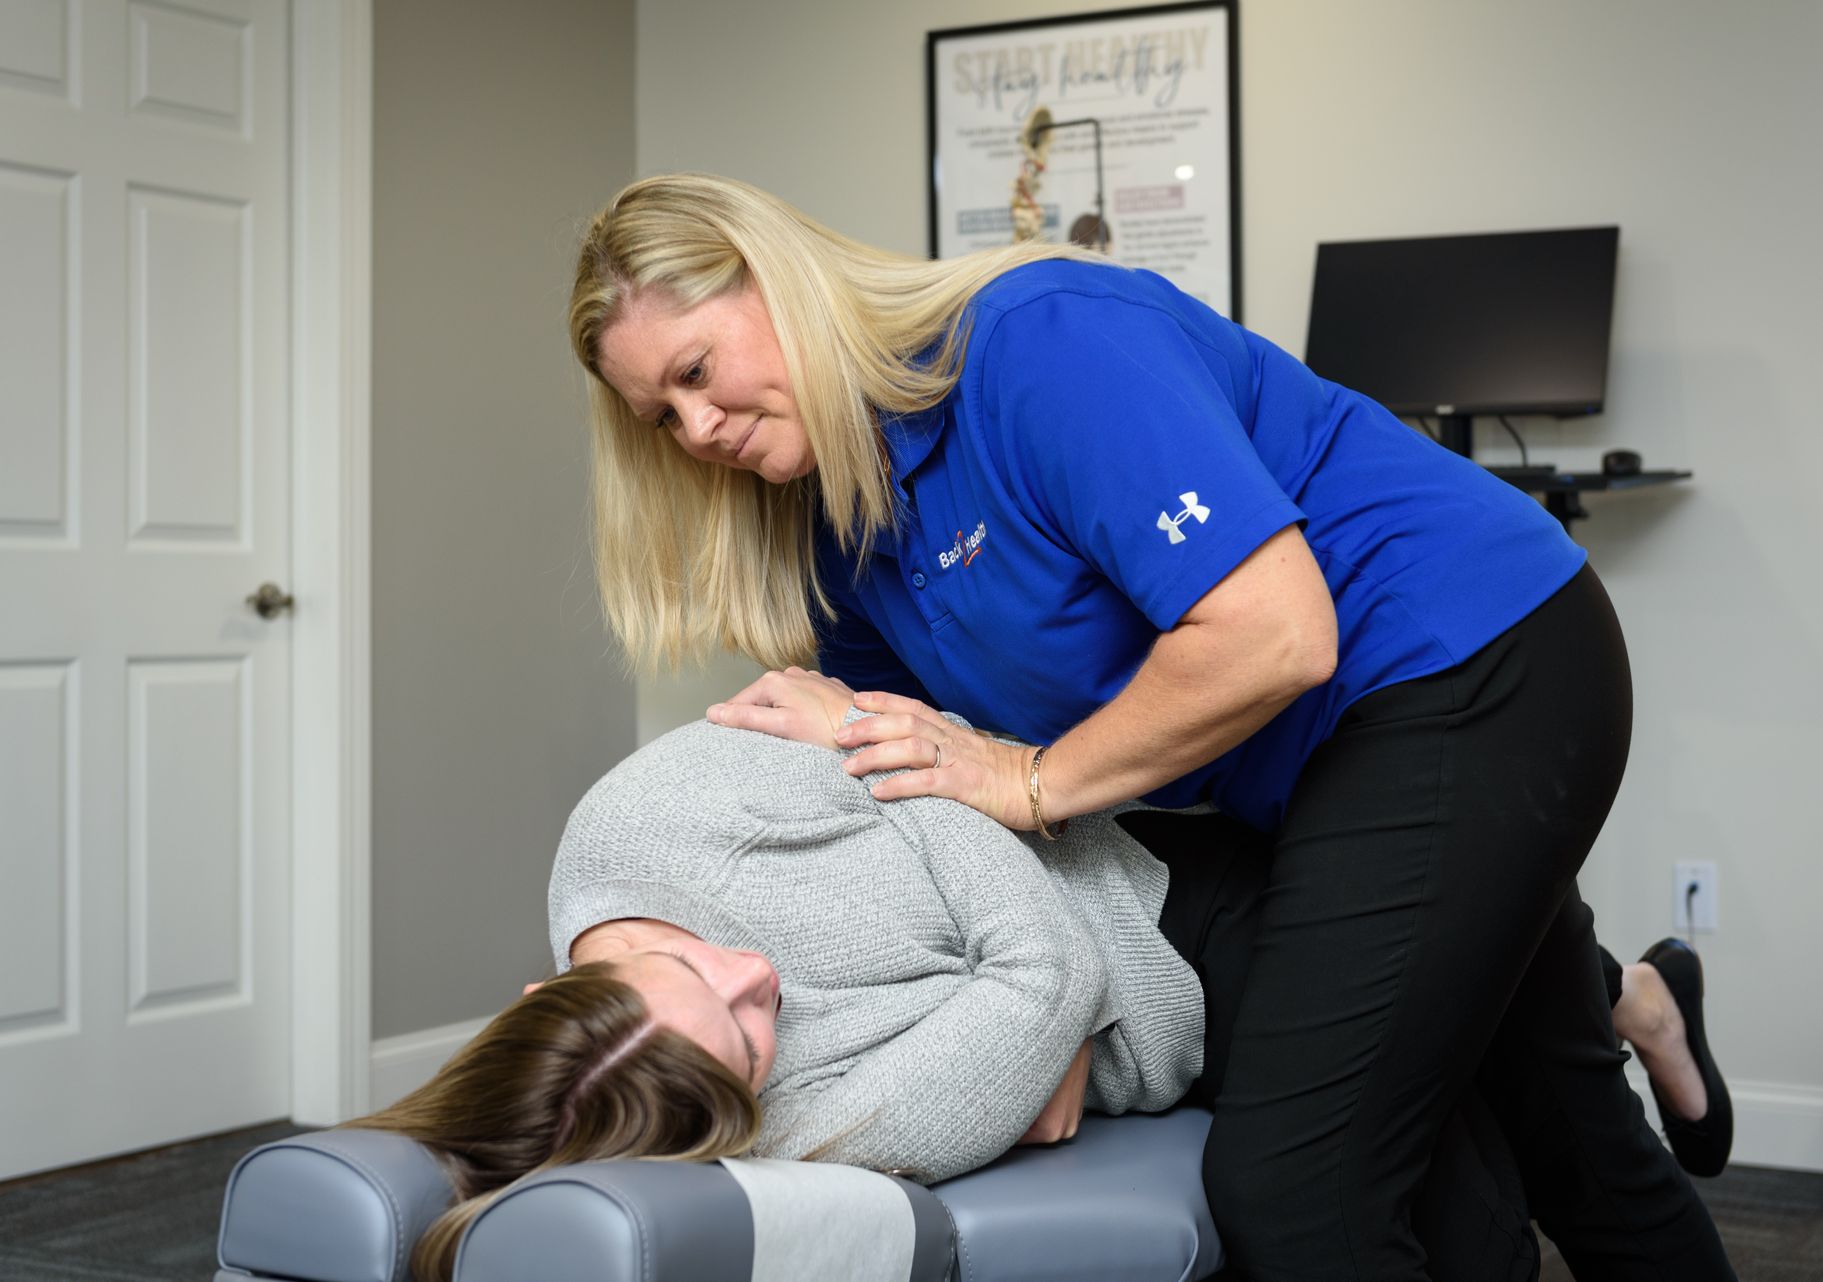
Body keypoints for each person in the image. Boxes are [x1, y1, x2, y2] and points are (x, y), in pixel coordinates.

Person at [562, 172, 1735, 1281]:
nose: (699, 426)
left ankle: (1607, 986)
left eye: (700, 370)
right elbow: (929, 780)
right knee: (1569, 1129)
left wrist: (1031, 783)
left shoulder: (1039, 343)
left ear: (780, 283)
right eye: (662, 415)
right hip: (1320, 764)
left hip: (1468, 655)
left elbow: (1276, 636)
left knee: (1296, 1189)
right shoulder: (837, 528)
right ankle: (1620, 993)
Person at [343, 691, 1712, 1282]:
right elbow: (1030, 976)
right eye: (753, 1034)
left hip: (1177, 894)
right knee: (1466, 1208)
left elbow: (932, 784)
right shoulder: (769, 1126)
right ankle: (1625, 992)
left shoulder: (656, 809)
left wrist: (1034, 1000)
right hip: (1177, 1017)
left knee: (1501, 1094)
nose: (756, 975)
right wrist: (1027, 974)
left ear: (553, 978)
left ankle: (1625, 999)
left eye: (694, 963)